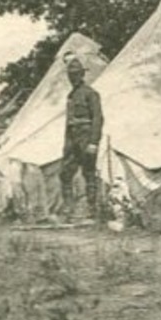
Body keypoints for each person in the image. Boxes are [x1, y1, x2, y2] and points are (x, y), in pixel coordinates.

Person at [58, 57, 104, 220]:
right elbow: (69, 122)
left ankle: (92, 209)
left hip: (86, 135)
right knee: (65, 173)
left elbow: (98, 118)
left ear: (82, 74)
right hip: (72, 138)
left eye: (76, 74)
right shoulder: (71, 95)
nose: (73, 77)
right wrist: (66, 144)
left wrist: (93, 142)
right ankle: (69, 210)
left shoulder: (90, 93)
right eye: (70, 74)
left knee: (89, 172)